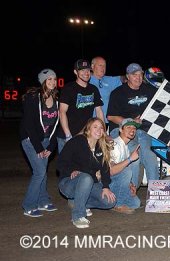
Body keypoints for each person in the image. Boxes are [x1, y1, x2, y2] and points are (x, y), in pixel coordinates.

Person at [107, 63, 159, 189]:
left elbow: (163, 101)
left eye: (140, 74)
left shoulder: (149, 90)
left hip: (143, 132)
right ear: (127, 76)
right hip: (123, 131)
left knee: (150, 156)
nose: (138, 77)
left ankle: (155, 193)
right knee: (133, 157)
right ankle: (131, 194)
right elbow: (111, 116)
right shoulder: (118, 93)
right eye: (134, 75)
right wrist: (131, 122)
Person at [57, 117, 116, 228]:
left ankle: (78, 203)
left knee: (110, 202)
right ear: (88, 129)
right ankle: (78, 216)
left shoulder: (101, 146)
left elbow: (105, 169)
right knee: (86, 177)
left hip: (89, 183)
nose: (99, 130)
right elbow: (60, 162)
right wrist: (71, 170)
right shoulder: (77, 141)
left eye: (101, 128)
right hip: (68, 183)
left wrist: (106, 187)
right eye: (95, 127)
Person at [20, 68, 59, 217]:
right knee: (40, 172)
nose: (52, 82)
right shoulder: (33, 97)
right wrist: (38, 148)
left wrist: (51, 146)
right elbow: (28, 124)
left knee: (43, 172)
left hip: (46, 140)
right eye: (49, 79)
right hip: (31, 140)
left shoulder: (56, 98)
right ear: (42, 81)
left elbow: (57, 125)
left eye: (54, 79)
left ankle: (43, 201)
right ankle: (28, 205)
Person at [57, 59, 104, 152]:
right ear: (75, 72)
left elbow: (99, 111)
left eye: (88, 70)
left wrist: (103, 131)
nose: (86, 73)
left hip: (84, 135)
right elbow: (62, 112)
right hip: (66, 136)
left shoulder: (93, 89)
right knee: (66, 166)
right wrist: (68, 136)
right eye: (82, 70)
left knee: (83, 165)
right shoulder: (68, 88)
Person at [109, 118, 141, 214]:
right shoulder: (114, 144)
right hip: (105, 183)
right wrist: (130, 159)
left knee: (136, 203)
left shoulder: (125, 147)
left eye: (134, 128)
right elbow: (111, 171)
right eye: (128, 127)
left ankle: (112, 202)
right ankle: (118, 204)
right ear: (120, 130)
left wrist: (131, 185)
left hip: (116, 181)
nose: (132, 130)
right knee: (127, 171)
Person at [89, 56, 126, 130]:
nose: (103, 68)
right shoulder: (87, 80)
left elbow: (123, 78)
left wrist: (135, 75)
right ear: (92, 66)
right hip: (91, 123)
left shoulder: (109, 80)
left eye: (104, 66)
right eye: (100, 65)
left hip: (108, 122)